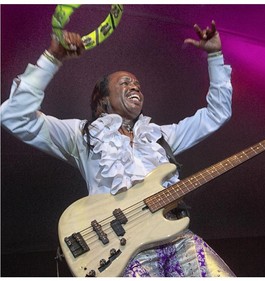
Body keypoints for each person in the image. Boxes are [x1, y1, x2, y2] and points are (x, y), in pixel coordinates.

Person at [0, 19, 234, 277]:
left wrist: (215, 55)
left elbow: (216, 114)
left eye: (137, 84)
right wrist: (52, 58)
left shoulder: (160, 137)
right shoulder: (83, 136)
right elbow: (14, 116)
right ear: (104, 100)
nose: (135, 86)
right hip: (124, 252)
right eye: (124, 83)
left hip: (178, 239)